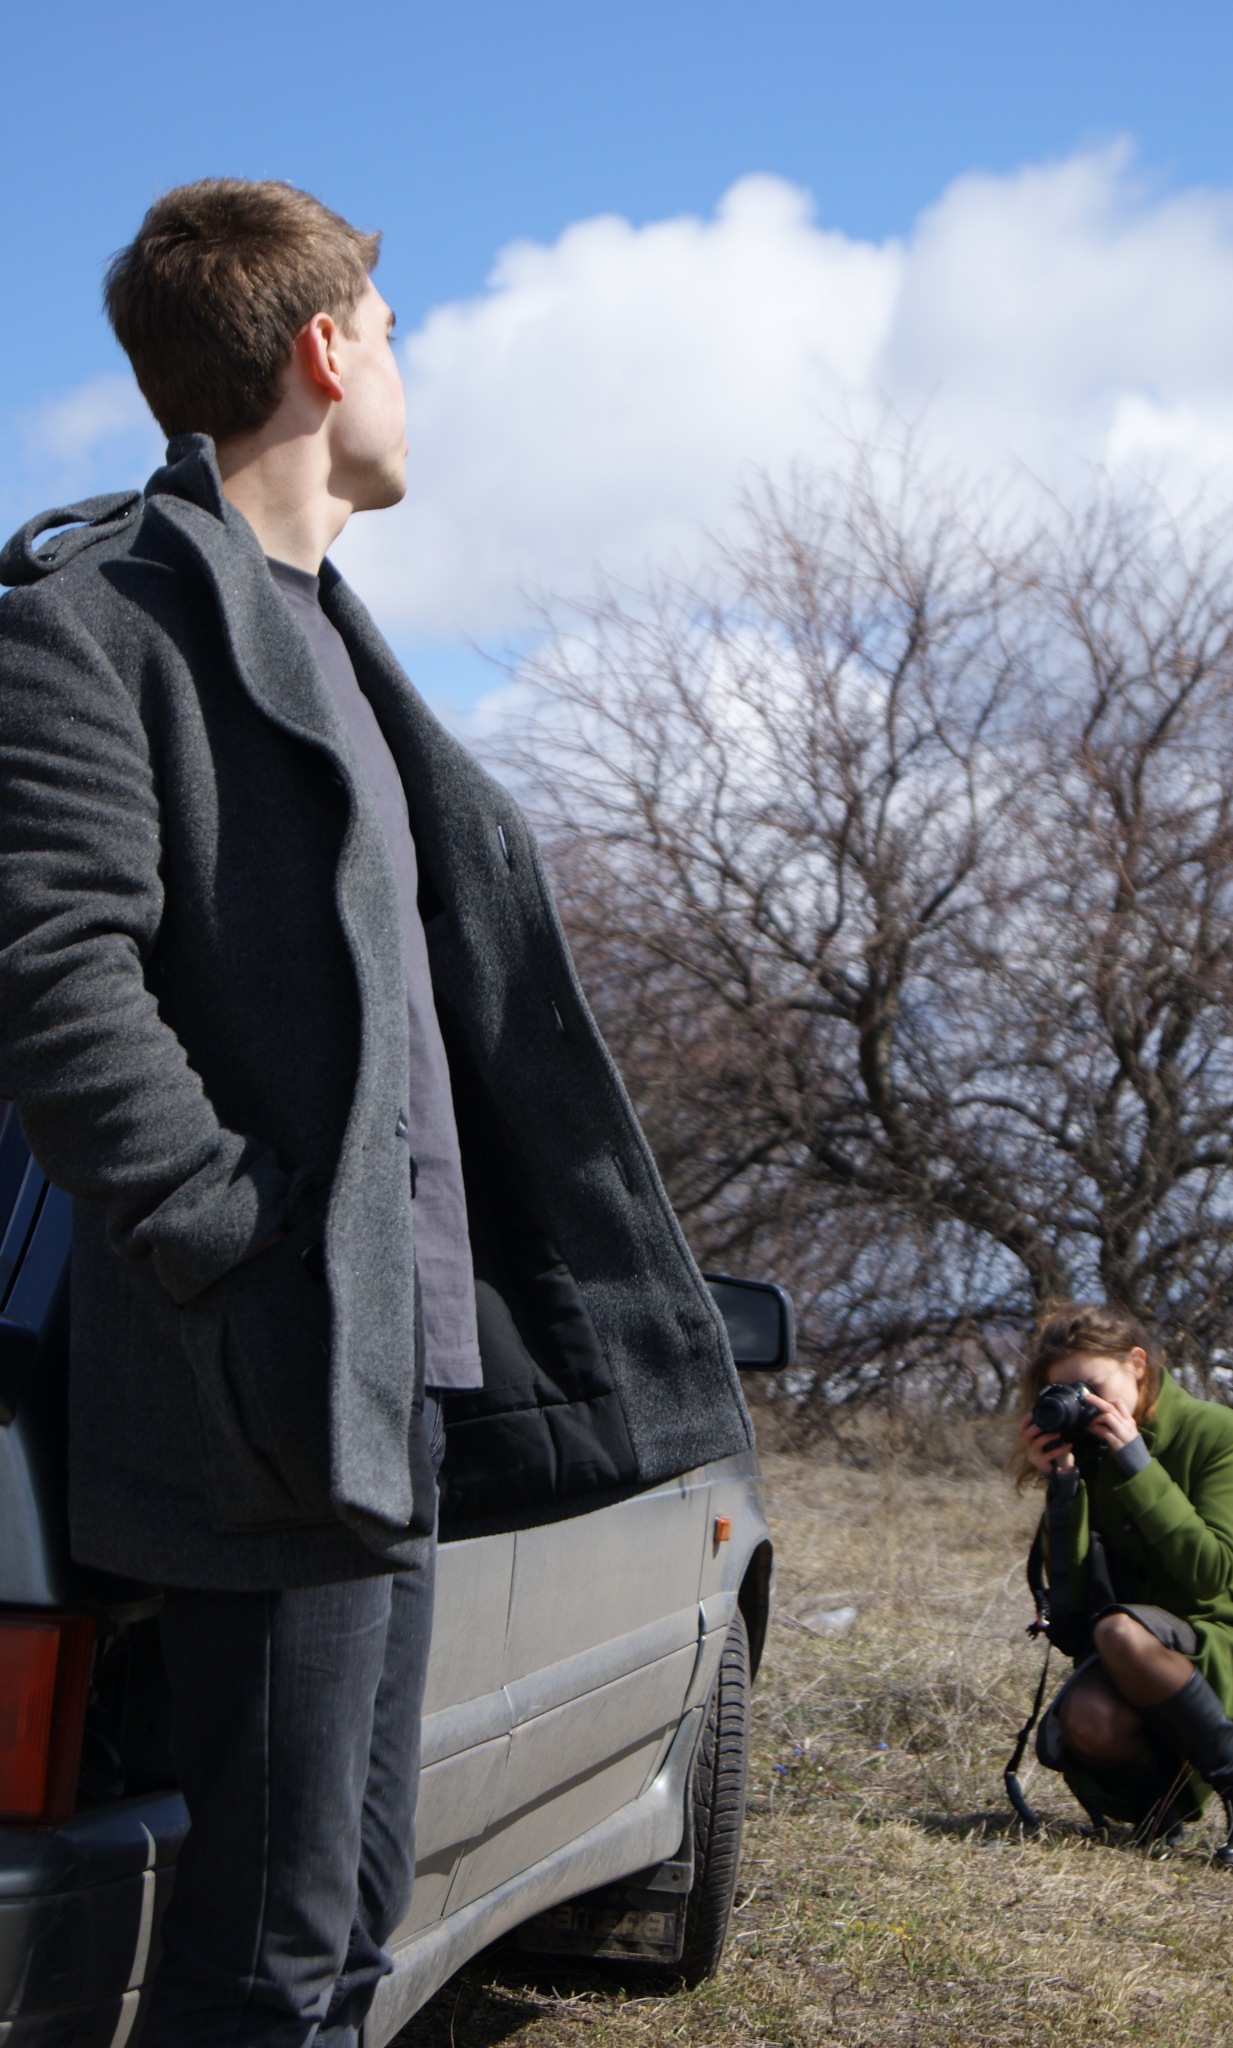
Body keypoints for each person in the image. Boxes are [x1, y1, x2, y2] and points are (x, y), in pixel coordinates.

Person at [0, 181, 751, 2043]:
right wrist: (236, 1242)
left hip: (389, 1384)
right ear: (323, 351)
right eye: (396, 338)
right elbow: (52, 971)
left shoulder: (332, 634)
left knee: (348, 1942)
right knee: (267, 1969)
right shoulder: (95, 624)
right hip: (269, 1375)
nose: (411, 376)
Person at [1014, 1300, 1233, 1866]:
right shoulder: (1083, 1452)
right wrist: (1063, 1488)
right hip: (1128, 1649)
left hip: (1225, 1637)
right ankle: (1159, 1811)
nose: (1085, 1405)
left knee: (1120, 1632)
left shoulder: (1215, 1431)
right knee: (1086, 1716)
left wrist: (1137, 1465)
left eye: (1093, 1387)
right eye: (1066, 1392)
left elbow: (1209, 1573)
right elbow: (1072, 1621)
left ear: (1137, 1363)